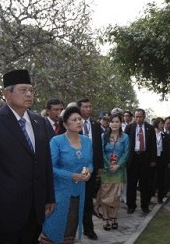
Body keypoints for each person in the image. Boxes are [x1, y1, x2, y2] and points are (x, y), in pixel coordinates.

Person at [0, 69, 55, 243]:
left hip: (34, 212)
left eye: (31, 90)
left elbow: (44, 162)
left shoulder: (39, 122)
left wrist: (49, 197)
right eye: (23, 90)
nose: (28, 94)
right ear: (6, 94)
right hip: (3, 215)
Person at [40, 106, 93, 243]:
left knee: (70, 229)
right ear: (65, 124)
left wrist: (89, 171)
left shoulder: (87, 141)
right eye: (74, 120)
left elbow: (90, 163)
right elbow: (50, 167)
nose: (78, 122)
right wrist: (71, 176)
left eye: (79, 119)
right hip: (59, 193)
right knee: (54, 227)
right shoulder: (56, 141)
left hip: (78, 192)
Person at [77, 98, 103, 240]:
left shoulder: (96, 125)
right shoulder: (73, 123)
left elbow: (98, 147)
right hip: (75, 168)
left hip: (91, 168)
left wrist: (99, 167)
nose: (88, 109)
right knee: (74, 200)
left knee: (87, 199)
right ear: (79, 108)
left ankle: (88, 229)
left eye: (90, 106)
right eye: (85, 106)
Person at [100, 113, 130, 231]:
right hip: (107, 170)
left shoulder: (125, 137)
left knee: (116, 196)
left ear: (121, 123)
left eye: (117, 121)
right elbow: (101, 152)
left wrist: (118, 165)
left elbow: (127, 153)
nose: (114, 124)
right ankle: (106, 218)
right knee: (105, 194)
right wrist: (108, 165)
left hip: (119, 170)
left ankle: (114, 217)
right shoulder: (103, 136)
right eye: (112, 121)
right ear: (109, 123)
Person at [124, 108, 157, 214]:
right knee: (131, 184)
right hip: (133, 159)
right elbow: (125, 144)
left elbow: (153, 145)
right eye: (136, 116)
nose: (137, 119)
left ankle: (144, 205)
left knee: (145, 185)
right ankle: (131, 205)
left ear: (144, 117)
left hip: (145, 159)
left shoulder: (150, 128)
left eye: (140, 117)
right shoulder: (129, 127)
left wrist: (153, 159)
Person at [153, 117, 170, 203]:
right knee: (152, 178)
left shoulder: (165, 135)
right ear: (157, 124)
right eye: (161, 123)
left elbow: (168, 149)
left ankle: (160, 197)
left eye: (163, 124)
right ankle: (150, 196)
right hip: (153, 159)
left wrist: (168, 161)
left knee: (161, 178)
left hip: (162, 159)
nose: (162, 125)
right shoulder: (151, 134)